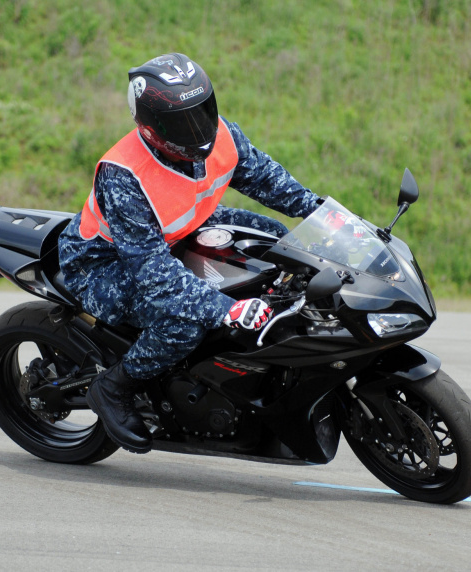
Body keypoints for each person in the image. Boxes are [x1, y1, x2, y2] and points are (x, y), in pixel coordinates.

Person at [58, 53, 320, 454]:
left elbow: (269, 181)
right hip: (103, 263)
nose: (198, 129)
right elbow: (153, 273)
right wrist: (224, 309)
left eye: (202, 112)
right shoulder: (124, 175)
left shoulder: (223, 136)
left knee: (274, 236)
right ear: (148, 126)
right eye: (182, 121)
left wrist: (323, 212)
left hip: (181, 228)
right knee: (182, 322)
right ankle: (114, 387)